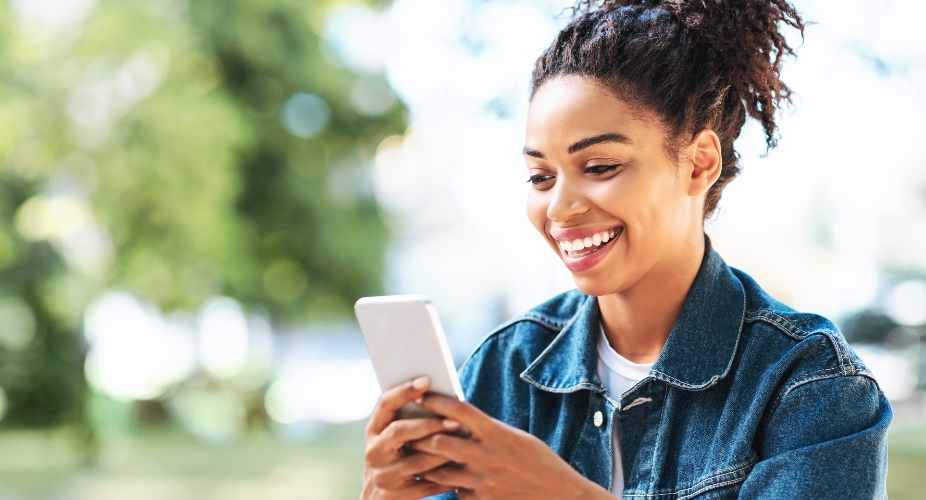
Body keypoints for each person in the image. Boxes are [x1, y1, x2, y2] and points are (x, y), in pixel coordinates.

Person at [361, 0, 892, 498]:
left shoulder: (811, 386)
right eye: (540, 176)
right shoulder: (503, 370)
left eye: (599, 167)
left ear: (700, 163)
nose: (560, 208)